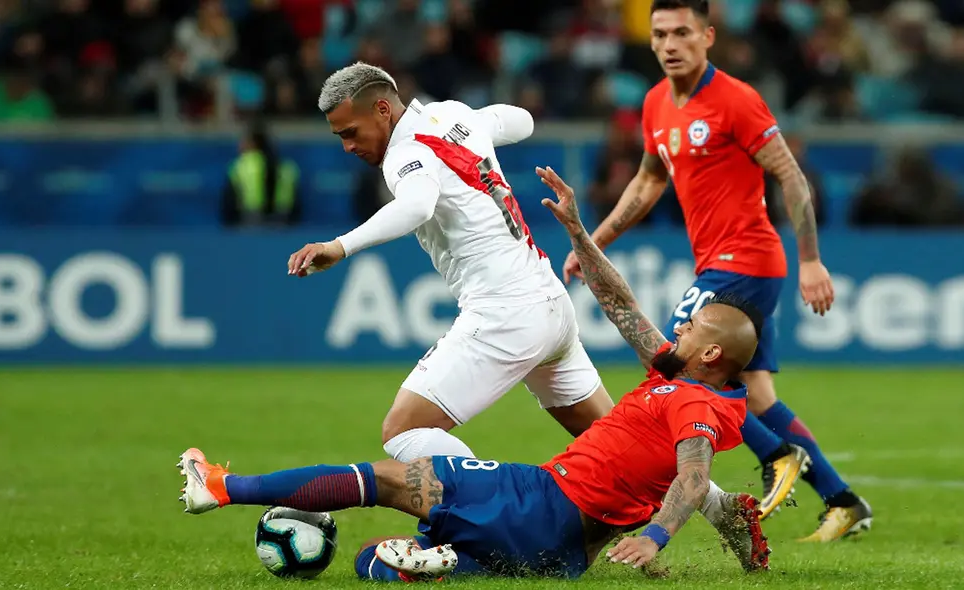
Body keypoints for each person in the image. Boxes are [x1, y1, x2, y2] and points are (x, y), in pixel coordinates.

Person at [178, 167, 770, 581]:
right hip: (562, 557)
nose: (680, 328)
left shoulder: (696, 407)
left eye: (692, 328)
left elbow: (693, 479)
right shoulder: (679, 374)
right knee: (370, 561)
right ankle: (445, 562)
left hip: (540, 502)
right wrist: (577, 233)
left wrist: (655, 537)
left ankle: (224, 488)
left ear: (711, 356)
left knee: (386, 478)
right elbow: (620, 304)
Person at [560, 0, 871, 541]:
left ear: (707, 36)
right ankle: (844, 501)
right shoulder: (657, 102)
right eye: (660, 34)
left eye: (682, 32)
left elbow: (791, 178)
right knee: (759, 397)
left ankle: (777, 456)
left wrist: (812, 259)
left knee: (676, 365)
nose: (670, 44)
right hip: (721, 261)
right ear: (651, 40)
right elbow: (648, 181)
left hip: (746, 259)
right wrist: (595, 242)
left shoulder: (736, 99)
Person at [285, 61, 618, 465]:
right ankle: (716, 505)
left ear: (383, 110)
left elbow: (416, 206)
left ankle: (499, 508)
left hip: (504, 314)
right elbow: (523, 121)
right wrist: (476, 126)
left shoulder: (404, 155)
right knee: (620, 442)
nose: (348, 147)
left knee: (402, 432)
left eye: (351, 133)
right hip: (549, 303)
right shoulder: (453, 115)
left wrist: (340, 246)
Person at [221, 121, 302, 227]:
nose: (240, 144)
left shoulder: (240, 166)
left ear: (252, 143)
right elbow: (296, 202)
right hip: (282, 222)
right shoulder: (287, 167)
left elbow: (229, 201)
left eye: (243, 141)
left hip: (248, 220)